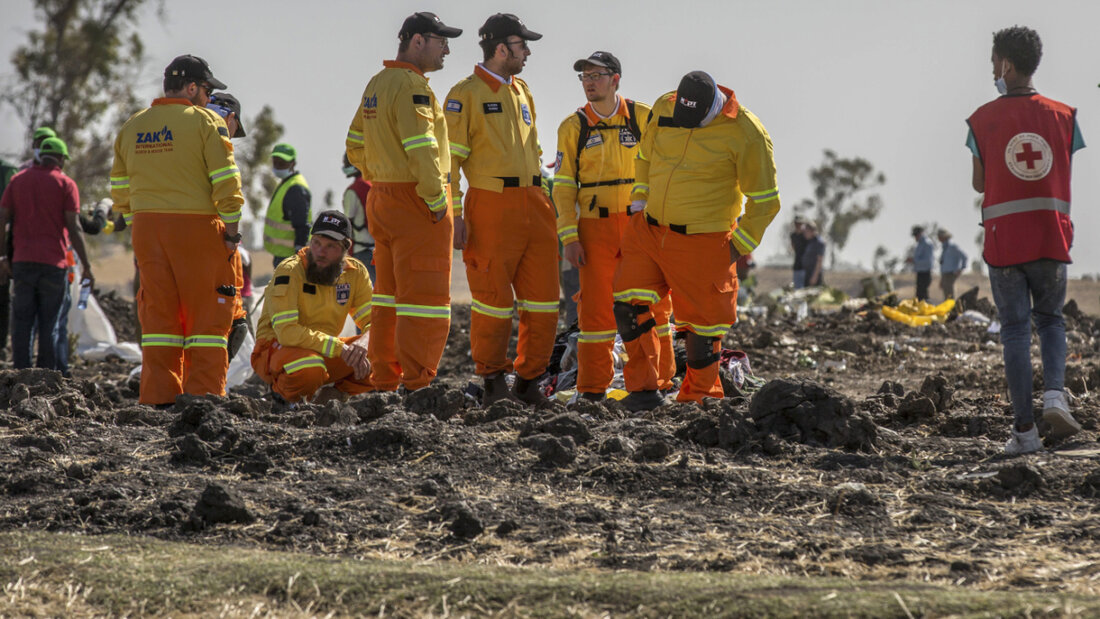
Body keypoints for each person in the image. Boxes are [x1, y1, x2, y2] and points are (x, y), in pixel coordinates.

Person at [613, 71, 780, 411]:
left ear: (714, 106)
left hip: (705, 240)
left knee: (704, 326)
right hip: (648, 231)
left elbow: (765, 200)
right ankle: (645, 390)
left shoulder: (747, 131)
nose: (686, 124)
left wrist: (736, 247)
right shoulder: (665, 107)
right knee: (628, 305)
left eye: (695, 120)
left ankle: (699, 397)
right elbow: (645, 157)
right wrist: (639, 203)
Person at [966, 26, 1083, 454]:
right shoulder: (1065, 116)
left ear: (1007, 65)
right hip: (1050, 236)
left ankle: (1025, 433)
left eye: (993, 62)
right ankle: (1055, 394)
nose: (991, 69)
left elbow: (980, 184)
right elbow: (1061, 167)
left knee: (1015, 330)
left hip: (1004, 242)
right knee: (1051, 320)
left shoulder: (980, 120)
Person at [110, 54, 243, 406]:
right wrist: (231, 231)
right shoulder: (205, 123)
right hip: (195, 230)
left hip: (146, 231)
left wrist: (125, 211)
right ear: (192, 87)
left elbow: (119, 187)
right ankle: (203, 399)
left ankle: (158, 398)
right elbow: (227, 183)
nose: (207, 98)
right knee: (207, 318)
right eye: (206, 90)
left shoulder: (133, 125)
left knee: (159, 317)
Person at [446, 13, 559, 406]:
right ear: (500, 49)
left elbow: (535, 151)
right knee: (493, 300)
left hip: (535, 204)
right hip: (490, 205)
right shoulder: (465, 94)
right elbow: (450, 166)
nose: (527, 52)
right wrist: (456, 217)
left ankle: (529, 383)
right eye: (521, 45)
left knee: (545, 301)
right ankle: (493, 380)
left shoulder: (522, 90)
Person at [345, 11, 460, 393]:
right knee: (424, 298)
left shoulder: (377, 83)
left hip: (384, 197)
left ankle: (384, 380)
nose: (447, 48)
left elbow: (354, 145)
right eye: (440, 40)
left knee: (389, 296)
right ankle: (417, 383)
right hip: (416, 199)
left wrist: (378, 174)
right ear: (416, 41)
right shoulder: (413, 87)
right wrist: (435, 199)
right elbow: (422, 148)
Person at [551, 50, 676, 402]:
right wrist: (569, 237)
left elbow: (665, 168)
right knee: (595, 310)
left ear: (615, 79)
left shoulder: (643, 117)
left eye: (596, 75)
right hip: (594, 229)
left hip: (640, 227)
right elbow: (563, 188)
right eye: (584, 77)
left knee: (651, 307)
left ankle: (654, 385)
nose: (589, 83)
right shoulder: (572, 126)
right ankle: (592, 390)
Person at [251, 210, 373, 403]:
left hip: (324, 350)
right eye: (316, 243)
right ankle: (281, 397)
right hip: (277, 350)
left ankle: (334, 397)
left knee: (386, 349)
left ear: (346, 249)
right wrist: (340, 347)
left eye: (330, 246)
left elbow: (375, 322)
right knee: (310, 367)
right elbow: (287, 332)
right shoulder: (290, 271)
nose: (321, 252)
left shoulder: (355, 273)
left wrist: (364, 343)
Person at [0, 137, 94, 370]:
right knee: (49, 324)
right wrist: (87, 266)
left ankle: (21, 374)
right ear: (61, 159)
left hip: (22, 261)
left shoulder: (17, 181)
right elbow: (75, 227)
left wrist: (3, 257)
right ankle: (46, 377)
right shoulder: (66, 184)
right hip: (54, 264)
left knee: (21, 322)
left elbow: (2, 218)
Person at [206, 92, 251, 358]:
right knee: (233, 323)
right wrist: (232, 238)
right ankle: (210, 387)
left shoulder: (182, 133)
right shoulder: (217, 139)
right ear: (231, 118)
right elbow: (230, 197)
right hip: (215, 240)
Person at [263, 143, 311, 269]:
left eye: (282, 163)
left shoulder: (296, 188)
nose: (278, 166)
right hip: (283, 255)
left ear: (293, 163)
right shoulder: (286, 184)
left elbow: (302, 225)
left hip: (290, 257)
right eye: (275, 162)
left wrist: (299, 254)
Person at [341, 152, 374, 284]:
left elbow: (346, 224)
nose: (344, 166)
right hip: (379, 250)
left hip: (362, 251)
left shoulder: (353, 190)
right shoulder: (374, 185)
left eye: (346, 163)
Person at [937, 229, 967, 300]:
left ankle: (953, 310)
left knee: (950, 295)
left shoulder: (952, 247)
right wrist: (942, 279)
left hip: (951, 274)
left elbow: (964, 257)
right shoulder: (944, 248)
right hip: (945, 274)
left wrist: (961, 269)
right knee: (946, 296)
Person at [907, 225, 934, 301]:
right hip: (920, 272)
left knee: (923, 296)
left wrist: (914, 261)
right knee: (919, 295)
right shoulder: (919, 244)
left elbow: (928, 261)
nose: (915, 237)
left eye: (916, 235)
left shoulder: (927, 243)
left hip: (925, 273)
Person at [801, 222, 826, 287]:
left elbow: (819, 260)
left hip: (814, 275)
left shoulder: (819, 242)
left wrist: (814, 276)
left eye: (806, 232)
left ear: (811, 231)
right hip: (808, 273)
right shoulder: (810, 241)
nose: (805, 234)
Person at [790, 215, 808, 288]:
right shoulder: (793, 235)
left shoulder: (806, 236)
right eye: (797, 223)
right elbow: (793, 247)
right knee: (797, 289)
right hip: (797, 266)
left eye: (800, 223)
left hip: (806, 266)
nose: (798, 225)